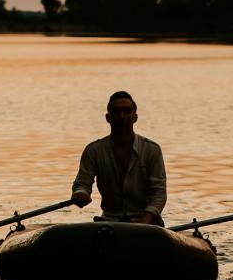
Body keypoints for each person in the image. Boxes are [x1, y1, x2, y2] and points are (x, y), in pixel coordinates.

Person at [71, 91, 166, 225]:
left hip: (147, 223)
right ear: (108, 117)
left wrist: (144, 221)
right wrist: (80, 194)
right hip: (109, 222)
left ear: (135, 117)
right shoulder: (93, 150)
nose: (122, 116)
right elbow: (82, 183)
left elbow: (159, 194)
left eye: (127, 111)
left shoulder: (152, 150)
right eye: (116, 111)